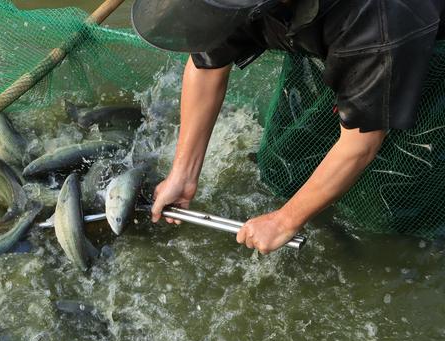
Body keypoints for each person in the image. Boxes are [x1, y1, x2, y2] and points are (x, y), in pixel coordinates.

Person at [131, 0, 445, 253]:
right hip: (319, 25)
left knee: (402, 190)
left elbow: (360, 144)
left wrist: (285, 221)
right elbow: (206, 66)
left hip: (414, 39)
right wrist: (182, 175)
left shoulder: (376, 21)